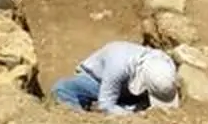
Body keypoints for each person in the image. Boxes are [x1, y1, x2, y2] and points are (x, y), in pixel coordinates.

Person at [51, 42, 180, 115]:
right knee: (62, 88)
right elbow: (106, 104)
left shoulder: (163, 62)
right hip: (97, 82)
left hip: (127, 89)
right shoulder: (117, 66)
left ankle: (127, 105)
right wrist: (131, 116)